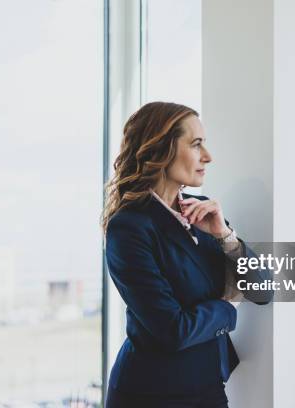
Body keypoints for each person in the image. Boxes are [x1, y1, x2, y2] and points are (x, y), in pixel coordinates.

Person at [101, 101, 272, 407]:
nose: (208, 156)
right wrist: (226, 305)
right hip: (150, 394)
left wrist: (225, 235)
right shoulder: (128, 228)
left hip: (207, 386)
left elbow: (263, 290)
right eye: (196, 145)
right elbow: (173, 330)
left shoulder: (202, 210)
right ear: (160, 150)